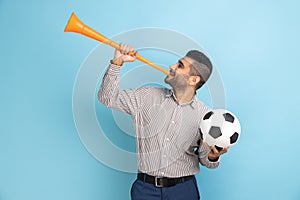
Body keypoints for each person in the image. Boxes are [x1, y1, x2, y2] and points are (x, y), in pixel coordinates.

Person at [98, 43, 228, 200]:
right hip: (145, 190)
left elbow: (206, 160)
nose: (172, 66)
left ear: (193, 79)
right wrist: (117, 62)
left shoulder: (206, 117)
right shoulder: (146, 96)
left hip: (183, 191)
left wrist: (213, 156)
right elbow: (107, 97)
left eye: (180, 65)